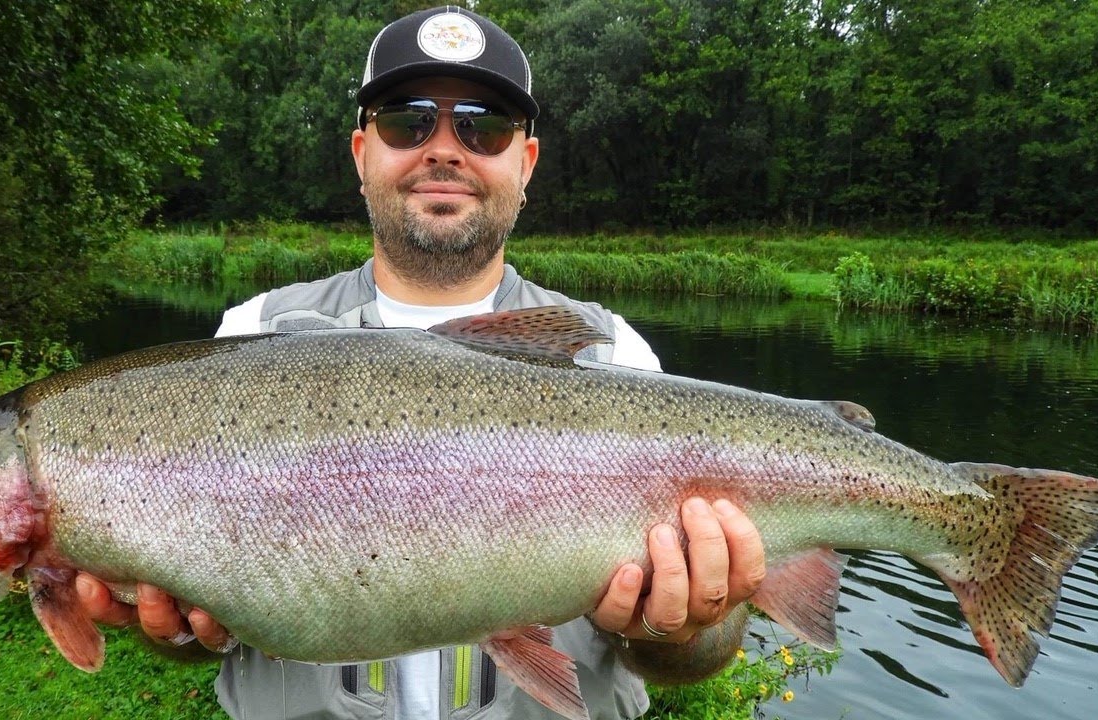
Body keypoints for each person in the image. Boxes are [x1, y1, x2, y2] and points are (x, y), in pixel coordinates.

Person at [77, 7, 766, 719]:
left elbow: (699, 654)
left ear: (524, 164)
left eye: (484, 125)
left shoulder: (614, 354)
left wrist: (682, 629)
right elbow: (196, 632)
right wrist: (179, 628)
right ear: (361, 154)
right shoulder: (252, 339)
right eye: (408, 122)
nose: (444, 149)